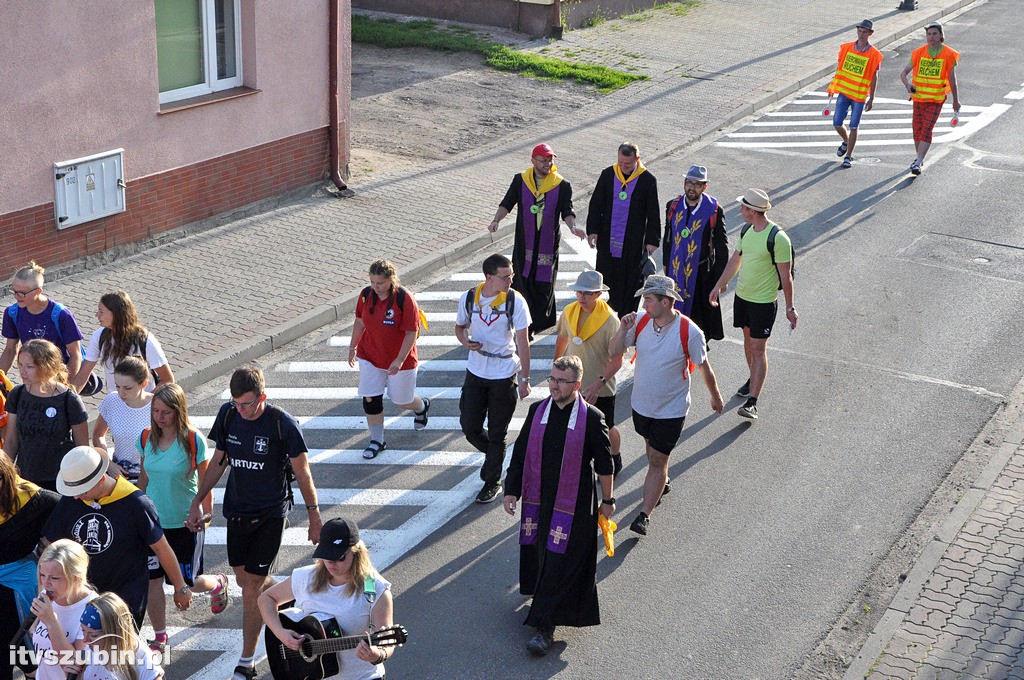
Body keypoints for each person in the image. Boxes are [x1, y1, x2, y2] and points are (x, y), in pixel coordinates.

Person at [188, 365, 322, 680]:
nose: (242, 410)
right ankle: (298, 594)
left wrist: (314, 516)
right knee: (246, 581)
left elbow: (303, 472)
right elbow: (220, 458)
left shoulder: (282, 424)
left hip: (270, 515)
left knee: (250, 590)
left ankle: (246, 662)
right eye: (236, 403)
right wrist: (198, 499)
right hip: (237, 510)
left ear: (262, 396)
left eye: (247, 404)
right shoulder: (229, 414)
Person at [502, 355, 614, 656]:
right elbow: (521, 453)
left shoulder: (591, 417)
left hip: (576, 505)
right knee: (543, 557)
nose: (553, 385)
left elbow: (605, 463)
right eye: (552, 379)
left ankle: (545, 626)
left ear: (576, 385)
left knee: (559, 561)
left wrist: (608, 501)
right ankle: (544, 607)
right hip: (541, 501)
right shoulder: (538, 412)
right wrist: (511, 491)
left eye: (561, 381)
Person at [610, 275, 724, 536]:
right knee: (651, 451)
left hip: (671, 410)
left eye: (648, 299)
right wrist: (621, 328)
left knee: (658, 458)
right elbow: (613, 350)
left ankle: (644, 514)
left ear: (666, 301)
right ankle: (661, 479)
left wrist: (715, 396)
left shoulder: (690, 332)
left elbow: (703, 365)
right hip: (641, 407)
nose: (644, 303)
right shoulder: (639, 322)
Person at [43, 446, 194, 628]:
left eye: (83, 492)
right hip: (82, 599)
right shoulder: (71, 500)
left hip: (124, 601)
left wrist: (180, 587)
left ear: (99, 480)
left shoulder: (136, 504)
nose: (77, 497)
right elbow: (52, 545)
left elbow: (161, 547)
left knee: (117, 655)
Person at [137, 383, 226, 656]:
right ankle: (160, 636)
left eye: (165, 412)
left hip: (184, 524)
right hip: (153, 524)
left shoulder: (192, 440)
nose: (159, 417)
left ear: (178, 412)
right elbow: (143, 479)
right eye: (155, 411)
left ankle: (218, 583)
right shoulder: (145, 439)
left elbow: (205, 482)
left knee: (186, 583)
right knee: (153, 580)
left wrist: (205, 516)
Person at [258, 518, 397, 679]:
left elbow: (387, 641)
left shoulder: (374, 588)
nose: (332, 564)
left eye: (339, 557)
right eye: (327, 556)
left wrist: (377, 655)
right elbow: (266, 598)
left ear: (356, 552)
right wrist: (281, 632)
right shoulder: (306, 577)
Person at [709, 189, 797, 421]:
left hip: (763, 304)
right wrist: (718, 285)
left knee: (758, 349)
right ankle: (752, 380)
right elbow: (735, 260)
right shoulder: (747, 230)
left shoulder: (778, 238)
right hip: (743, 298)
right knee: (748, 344)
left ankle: (752, 403)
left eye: (744, 208)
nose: (740, 210)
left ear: (754, 211)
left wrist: (790, 307)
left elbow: (786, 276)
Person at [455, 254, 532, 504]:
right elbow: (459, 327)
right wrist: (466, 341)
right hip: (476, 372)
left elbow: (523, 341)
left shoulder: (514, 300)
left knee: (498, 432)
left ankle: (492, 480)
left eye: (511, 275)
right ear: (489, 277)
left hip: (503, 373)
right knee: (470, 427)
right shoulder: (469, 298)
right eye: (505, 276)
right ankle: (494, 458)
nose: (511, 279)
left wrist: (525, 378)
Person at [488, 143, 583, 335]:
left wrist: (572, 227)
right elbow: (507, 203)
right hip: (525, 243)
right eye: (543, 160)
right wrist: (496, 220)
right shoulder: (521, 180)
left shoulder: (561, 185)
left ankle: (537, 324)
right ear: (533, 161)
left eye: (550, 160)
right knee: (522, 281)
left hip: (547, 245)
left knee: (543, 283)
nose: (548, 164)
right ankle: (524, 324)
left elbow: (567, 210)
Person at [348, 259, 430, 460]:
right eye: (373, 282)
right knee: (370, 398)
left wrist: (399, 360)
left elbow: (411, 332)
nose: (376, 287)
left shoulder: (404, 299)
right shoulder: (366, 295)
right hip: (370, 355)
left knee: (402, 400)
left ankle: (421, 406)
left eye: (380, 283)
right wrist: (352, 346)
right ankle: (377, 440)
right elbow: (359, 322)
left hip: (400, 359)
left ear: (391, 280)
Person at [554, 270, 624, 476]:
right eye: (579, 292)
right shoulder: (569, 311)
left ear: (597, 295)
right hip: (574, 384)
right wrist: (556, 367)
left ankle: (615, 455)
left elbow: (618, 359)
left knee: (607, 427)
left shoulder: (611, 321)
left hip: (600, 388)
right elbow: (562, 338)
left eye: (587, 293)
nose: (581, 297)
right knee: (572, 425)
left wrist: (599, 383)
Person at [0, 454, 60, 680]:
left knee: (25, 648)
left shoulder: (34, 498)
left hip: (21, 586)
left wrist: (50, 546)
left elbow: (65, 515)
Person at [2, 339, 89, 491]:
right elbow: (10, 441)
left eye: (29, 367)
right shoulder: (17, 394)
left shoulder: (69, 400)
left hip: (61, 481)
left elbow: (83, 448)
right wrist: (6, 476)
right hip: (26, 481)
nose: (22, 371)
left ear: (48, 367)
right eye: (20, 365)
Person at [585, 142, 661, 316]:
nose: (623, 167)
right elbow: (596, 204)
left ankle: (626, 316)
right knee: (608, 278)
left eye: (627, 164)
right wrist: (593, 230)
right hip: (608, 239)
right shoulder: (608, 175)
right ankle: (608, 313)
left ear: (637, 159)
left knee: (631, 281)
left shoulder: (647, 180)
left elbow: (653, 212)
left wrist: (652, 241)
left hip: (632, 243)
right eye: (620, 163)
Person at [662, 165, 729, 343]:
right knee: (672, 316)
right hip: (675, 274)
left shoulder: (713, 209)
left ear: (704, 187)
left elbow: (722, 247)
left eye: (697, 185)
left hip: (701, 275)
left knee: (699, 322)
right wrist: (666, 264)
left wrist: (722, 279)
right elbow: (668, 237)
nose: (692, 188)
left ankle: (695, 352)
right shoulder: (673, 206)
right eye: (689, 183)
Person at [74, 290, 174, 395]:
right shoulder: (98, 336)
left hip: (142, 406)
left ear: (116, 314)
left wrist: (147, 404)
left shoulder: (145, 341)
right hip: (116, 404)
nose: (97, 315)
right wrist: (68, 399)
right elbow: (83, 375)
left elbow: (167, 380)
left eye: (101, 311)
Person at [1, 261, 86, 383]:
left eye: (22, 293)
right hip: (32, 378)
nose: (17, 296)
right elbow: (10, 350)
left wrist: (64, 388)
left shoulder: (61, 315)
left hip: (59, 379)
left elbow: (76, 355)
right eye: (14, 291)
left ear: (38, 291)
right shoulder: (12, 313)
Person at [30, 539, 97, 680]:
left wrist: (51, 622)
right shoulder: (47, 593)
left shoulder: (93, 610)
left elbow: (72, 667)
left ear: (76, 578)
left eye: (54, 578)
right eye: (42, 575)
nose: (45, 583)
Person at [900, 22, 961, 175]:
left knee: (927, 129)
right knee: (917, 130)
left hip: (935, 100)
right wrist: (907, 85)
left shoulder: (949, 54)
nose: (931, 37)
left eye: (934, 34)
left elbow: (952, 79)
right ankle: (918, 158)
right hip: (919, 99)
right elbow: (903, 73)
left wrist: (955, 100)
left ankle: (919, 161)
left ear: (941, 35)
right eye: (929, 34)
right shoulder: (918, 53)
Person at [827, 19, 883, 169]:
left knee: (854, 125)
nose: (862, 34)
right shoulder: (847, 48)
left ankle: (848, 156)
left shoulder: (874, 54)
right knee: (837, 122)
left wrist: (871, 97)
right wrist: (833, 88)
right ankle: (846, 141)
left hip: (859, 96)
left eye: (865, 32)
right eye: (860, 31)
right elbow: (840, 70)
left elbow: (874, 76)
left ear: (870, 34)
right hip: (844, 92)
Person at [92, 356, 153, 482]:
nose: (121, 393)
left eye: (127, 388)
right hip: (118, 475)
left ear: (143, 384)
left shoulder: (157, 406)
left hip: (151, 477)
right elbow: (98, 435)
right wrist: (108, 464)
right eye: (117, 386)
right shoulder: (112, 400)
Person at [79, 591, 165, 680]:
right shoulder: (91, 649)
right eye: (83, 630)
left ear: (114, 633)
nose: (84, 640)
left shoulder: (144, 661)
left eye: (93, 635)